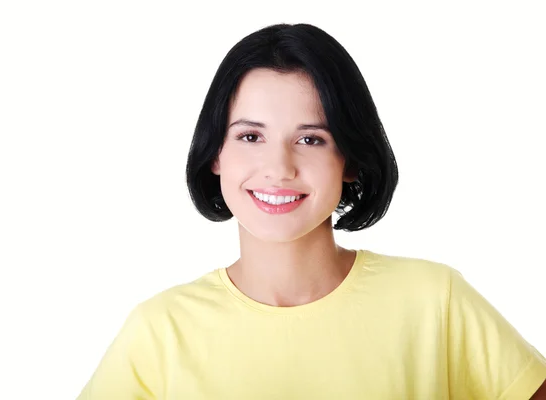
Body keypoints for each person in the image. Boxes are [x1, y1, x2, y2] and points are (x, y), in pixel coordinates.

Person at [76, 23, 546, 399]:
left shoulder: (435, 303)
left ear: (350, 160)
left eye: (310, 139)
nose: (278, 168)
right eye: (250, 136)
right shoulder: (158, 333)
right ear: (215, 154)